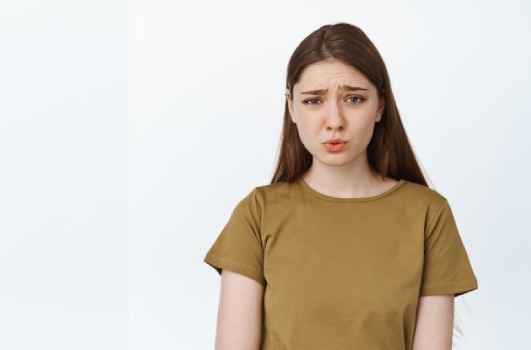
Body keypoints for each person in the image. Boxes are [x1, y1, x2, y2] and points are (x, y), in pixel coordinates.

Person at [203, 23, 477, 350]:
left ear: (380, 106)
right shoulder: (258, 213)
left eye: (353, 98)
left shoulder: (427, 215)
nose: (335, 120)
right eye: (314, 101)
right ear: (291, 106)